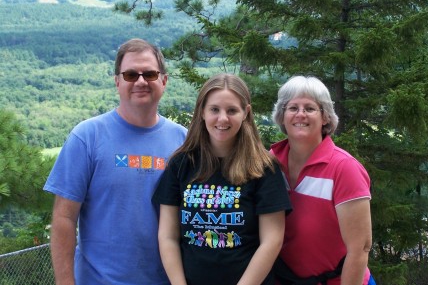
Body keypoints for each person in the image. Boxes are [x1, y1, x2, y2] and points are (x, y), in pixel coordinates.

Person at [43, 38, 187, 285]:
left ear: (164, 80)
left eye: (150, 74)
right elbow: (64, 219)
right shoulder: (87, 137)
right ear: (117, 81)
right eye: (131, 74)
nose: (141, 81)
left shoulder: (183, 140)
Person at [152, 73, 292, 285]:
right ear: (202, 112)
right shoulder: (181, 164)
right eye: (214, 109)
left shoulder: (263, 168)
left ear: (246, 113)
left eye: (232, 110)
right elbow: (168, 236)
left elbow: (272, 241)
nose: (222, 118)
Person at [270, 75, 376, 285]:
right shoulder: (270, 163)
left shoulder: (344, 168)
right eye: (292, 108)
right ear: (282, 116)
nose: (300, 114)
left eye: (309, 108)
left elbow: (360, 248)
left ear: (325, 117)